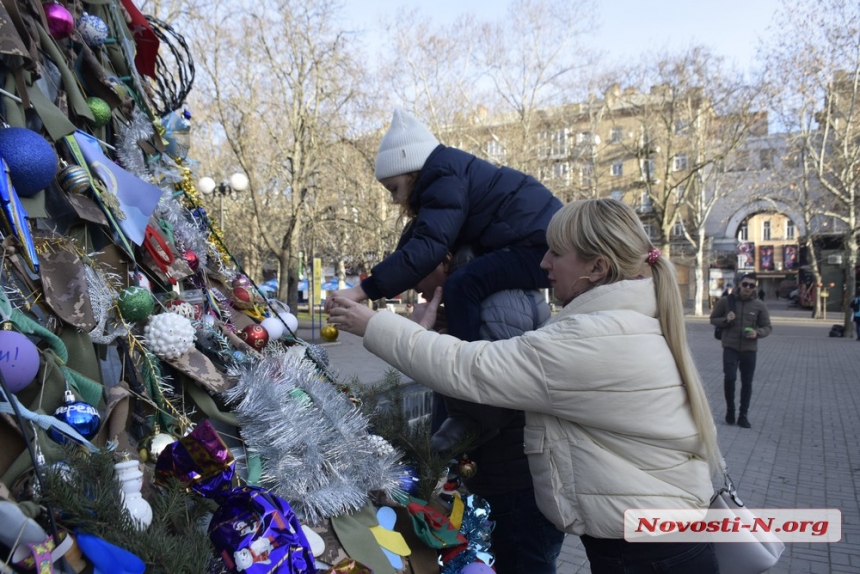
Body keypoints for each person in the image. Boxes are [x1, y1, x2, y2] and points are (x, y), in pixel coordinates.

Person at [329, 198, 720, 573]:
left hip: (646, 553)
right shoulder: (619, 324)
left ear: (597, 268)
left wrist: (373, 323)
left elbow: (471, 368)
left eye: (556, 252)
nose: (543, 262)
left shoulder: (592, 337)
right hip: (656, 540)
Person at [326, 109, 562, 448]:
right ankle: (464, 400)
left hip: (538, 242)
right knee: (466, 284)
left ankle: (467, 404)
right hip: (532, 236)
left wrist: (361, 291)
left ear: (410, 170)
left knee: (463, 283)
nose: (395, 200)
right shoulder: (451, 172)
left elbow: (427, 247)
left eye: (394, 188)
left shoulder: (443, 175)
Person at [409, 246, 565, 574]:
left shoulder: (497, 296)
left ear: (444, 259)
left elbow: (494, 404)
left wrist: (423, 344)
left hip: (519, 483)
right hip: (502, 476)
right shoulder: (476, 294)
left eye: (414, 271)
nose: (413, 286)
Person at [710, 272, 772, 429]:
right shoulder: (726, 301)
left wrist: (757, 333)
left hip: (749, 349)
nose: (747, 288)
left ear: (755, 287)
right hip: (730, 347)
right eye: (745, 284)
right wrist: (726, 320)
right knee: (730, 379)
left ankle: (743, 415)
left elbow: (767, 327)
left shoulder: (759, 305)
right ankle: (730, 409)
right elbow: (713, 319)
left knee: (747, 383)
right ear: (739, 284)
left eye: (751, 285)